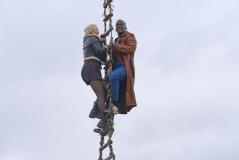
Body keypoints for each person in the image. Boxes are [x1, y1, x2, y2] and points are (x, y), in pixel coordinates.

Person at [81, 24, 109, 129]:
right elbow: (100, 52)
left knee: (105, 91)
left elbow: (100, 56)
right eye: (97, 29)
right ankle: (103, 119)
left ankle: (95, 110)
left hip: (90, 68)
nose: (98, 31)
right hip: (91, 68)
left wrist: (102, 43)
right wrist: (105, 47)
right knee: (101, 94)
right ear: (92, 30)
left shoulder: (87, 39)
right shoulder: (93, 38)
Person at [108, 19, 137, 114]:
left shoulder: (130, 37)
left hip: (124, 66)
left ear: (125, 26)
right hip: (114, 66)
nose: (119, 26)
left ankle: (115, 103)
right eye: (117, 25)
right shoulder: (116, 40)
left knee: (113, 77)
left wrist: (116, 46)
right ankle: (101, 109)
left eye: (121, 24)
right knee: (105, 85)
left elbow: (131, 49)